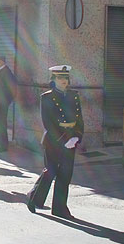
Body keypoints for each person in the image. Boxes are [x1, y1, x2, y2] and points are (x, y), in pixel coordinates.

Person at [26, 65, 84, 219]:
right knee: (50, 171)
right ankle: (33, 197)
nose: (63, 81)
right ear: (54, 79)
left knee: (65, 174)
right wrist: (64, 139)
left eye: (65, 78)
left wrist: (76, 136)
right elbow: (48, 123)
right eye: (60, 78)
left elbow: (79, 118)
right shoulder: (47, 97)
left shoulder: (74, 95)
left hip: (71, 139)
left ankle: (59, 208)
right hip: (54, 140)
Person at [0, 55, 17, 152]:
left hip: (1, 104)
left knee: (0, 124)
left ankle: (3, 146)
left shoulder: (6, 72)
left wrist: (5, 102)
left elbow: (13, 89)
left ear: (2, 62)